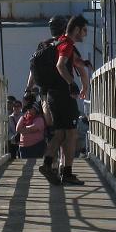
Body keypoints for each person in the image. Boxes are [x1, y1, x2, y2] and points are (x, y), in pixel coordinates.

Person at [40, 14, 91, 185]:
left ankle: (48, 164)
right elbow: (60, 65)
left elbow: (73, 62)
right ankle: (67, 173)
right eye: (84, 30)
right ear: (76, 29)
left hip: (52, 94)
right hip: (63, 95)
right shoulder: (68, 43)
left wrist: (84, 64)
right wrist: (72, 84)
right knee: (71, 133)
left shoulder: (60, 41)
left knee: (61, 132)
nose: (85, 34)